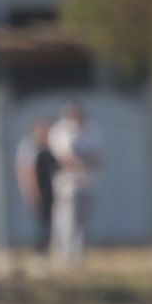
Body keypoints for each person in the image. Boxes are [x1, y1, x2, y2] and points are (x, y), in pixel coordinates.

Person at [47, 105, 97, 271]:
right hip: (67, 186)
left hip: (86, 184)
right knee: (66, 221)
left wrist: (83, 162)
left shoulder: (89, 132)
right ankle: (65, 256)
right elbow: (63, 157)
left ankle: (78, 255)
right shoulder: (61, 132)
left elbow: (97, 158)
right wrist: (80, 162)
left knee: (83, 223)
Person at [16, 116, 56, 260]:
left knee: (47, 220)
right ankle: (39, 251)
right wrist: (32, 191)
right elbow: (27, 170)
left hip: (47, 188)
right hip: (39, 189)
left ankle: (45, 249)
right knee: (41, 221)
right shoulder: (30, 145)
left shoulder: (46, 145)